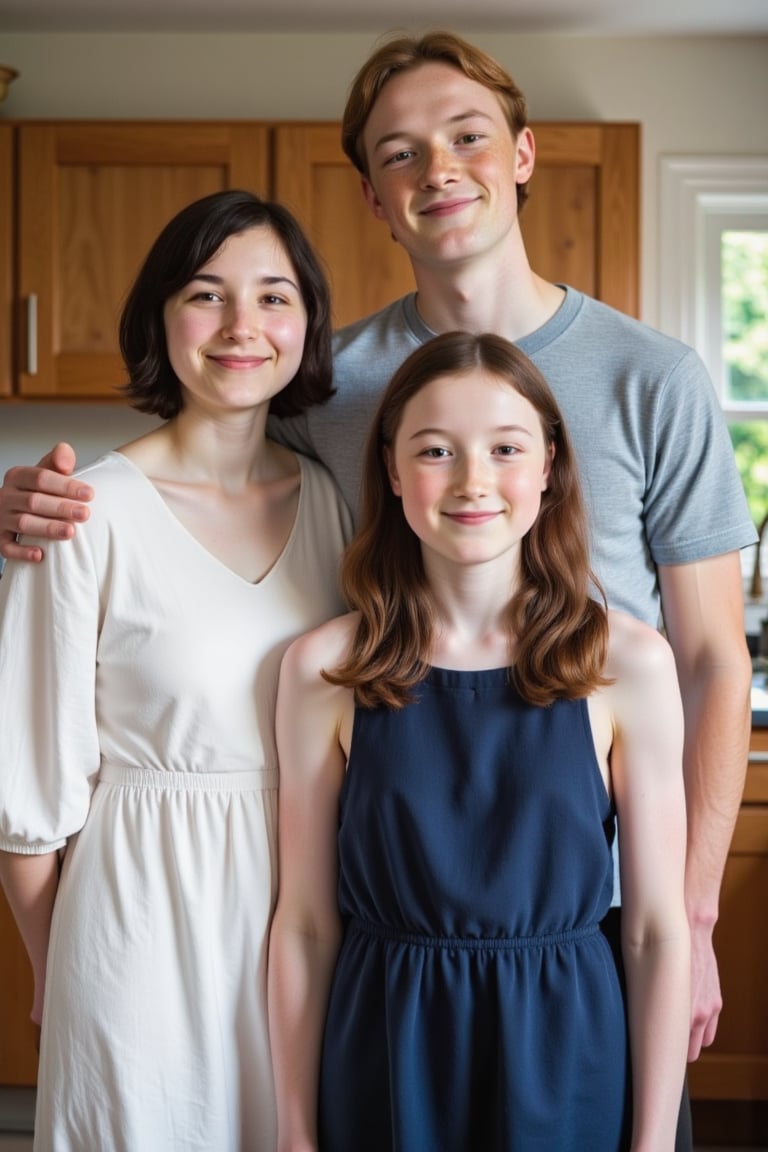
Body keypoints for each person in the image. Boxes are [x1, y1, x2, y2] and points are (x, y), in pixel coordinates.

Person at [0, 29, 755, 1142]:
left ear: (525, 154)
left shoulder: (657, 377)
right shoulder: (327, 386)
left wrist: (689, 918)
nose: (437, 170)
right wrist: (36, 509)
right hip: (383, 909)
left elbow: (710, 659)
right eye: (400, 153)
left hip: (582, 922)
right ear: (371, 196)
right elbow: (199, 472)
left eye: (467, 138)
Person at [267, 330, 691, 1151]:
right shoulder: (324, 668)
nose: (472, 482)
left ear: (548, 467)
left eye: (505, 448)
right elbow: (307, 925)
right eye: (435, 451)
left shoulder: (628, 663)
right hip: (384, 1050)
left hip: (567, 1051)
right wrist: (294, 1129)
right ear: (392, 471)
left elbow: (654, 930)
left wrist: (652, 1142)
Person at [0, 189, 351, 1151]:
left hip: (310, 917)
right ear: (160, 316)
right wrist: (56, 969)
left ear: (309, 322)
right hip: (136, 926)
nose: (243, 327)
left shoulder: (336, 505)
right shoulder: (86, 512)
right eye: (207, 294)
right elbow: (29, 796)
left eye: (275, 297)